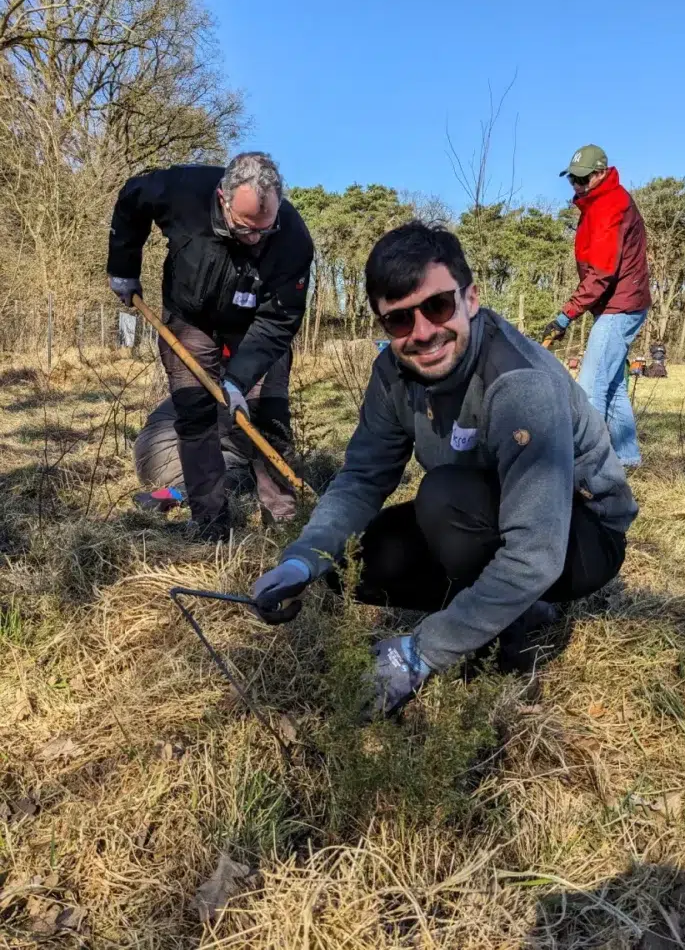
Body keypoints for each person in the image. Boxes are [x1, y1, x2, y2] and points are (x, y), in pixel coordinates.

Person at [251, 221, 638, 717]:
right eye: (398, 321)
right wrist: (302, 558)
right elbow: (363, 479)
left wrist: (421, 652)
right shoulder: (392, 373)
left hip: (579, 535)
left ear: (470, 299)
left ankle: (502, 647)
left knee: (444, 496)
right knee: (350, 565)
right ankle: (503, 606)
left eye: (437, 306)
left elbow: (536, 553)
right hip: (486, 512)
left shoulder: (521, 385)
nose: (423, 333)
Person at [107, 152, 313, 538]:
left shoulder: (293, 241)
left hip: (256, 327)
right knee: (195, 412)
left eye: (263, 231)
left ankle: (284, 519)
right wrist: (123, 268)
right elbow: (132, 197)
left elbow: (279, 321)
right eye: (245, 228)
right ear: (223, 198)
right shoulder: (183, 192)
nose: (254, 240)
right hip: (191, 318)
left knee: (266, 413)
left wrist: (237, 380)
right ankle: (210, 521)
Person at [543, 145, 651, 467]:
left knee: (590, 386)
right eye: (572, 180)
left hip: (622, 305)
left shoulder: (609, 206)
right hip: (616, 303)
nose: (576, 186)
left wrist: (565, 317)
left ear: (600, 173)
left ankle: (587, 464)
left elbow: (601, 274)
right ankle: (628, 458)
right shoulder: (596, 205)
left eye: (582, 179)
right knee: (614, 385)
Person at [133, 352, 295, 523]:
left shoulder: (219, 373)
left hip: (147, 449)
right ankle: (170, 494)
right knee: (247, 478)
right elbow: (251, 443)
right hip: (169, 450)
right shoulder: (245, 385)